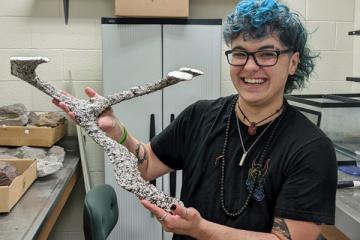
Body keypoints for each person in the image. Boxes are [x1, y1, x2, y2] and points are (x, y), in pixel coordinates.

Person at [54, 0, 337, 239]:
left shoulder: (311, 149)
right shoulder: (200, 115)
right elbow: (148, 164)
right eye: (240, 53)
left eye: (267, 54)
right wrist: (118, 133)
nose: (250, 67)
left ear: (294, 62)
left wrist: (201, 230)